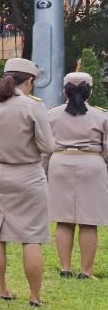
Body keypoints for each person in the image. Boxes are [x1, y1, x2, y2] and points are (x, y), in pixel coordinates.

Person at [0, 58, 55, 306]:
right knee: (31, 236)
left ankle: (1, 289)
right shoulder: (33, 106)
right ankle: (35, 296)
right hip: (27, 173)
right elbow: (47, 145)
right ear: (30, 81)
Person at [47, 72, 108, 280]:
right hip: (91, 164)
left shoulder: (52, 114)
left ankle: (65, 268)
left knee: (63, 220)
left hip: (60, 162)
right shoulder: (101, 115)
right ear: (90, 91)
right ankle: (86, 271)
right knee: (89, 221)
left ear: (64, 90)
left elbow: (44, 147)